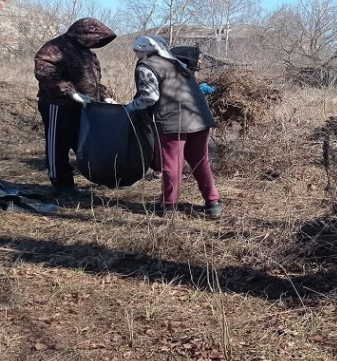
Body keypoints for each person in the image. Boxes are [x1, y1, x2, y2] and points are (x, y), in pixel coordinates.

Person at [125, 36, 223, 218]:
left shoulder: (146, 66)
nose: (135, 54)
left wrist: (128, 109)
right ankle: (213, 202)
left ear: (144, 50)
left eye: (136, 50)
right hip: (200, 117)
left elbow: (149, 97)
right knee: (201, 161)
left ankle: (168, 206)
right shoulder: (177, 63)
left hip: (173, 121)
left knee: (172, 164)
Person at [33, 18, 117, 190]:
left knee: (84, 143)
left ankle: (99, 176)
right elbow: (46, 74)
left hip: (84, 107)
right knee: (58, 144)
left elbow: (93, 81)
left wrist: (105, 96)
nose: (94, 43)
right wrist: (70, 92)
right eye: (93, 38)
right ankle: (61, 183)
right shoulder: (54, 48)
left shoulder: (87, 53)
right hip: (58, 104)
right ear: (82, 34)